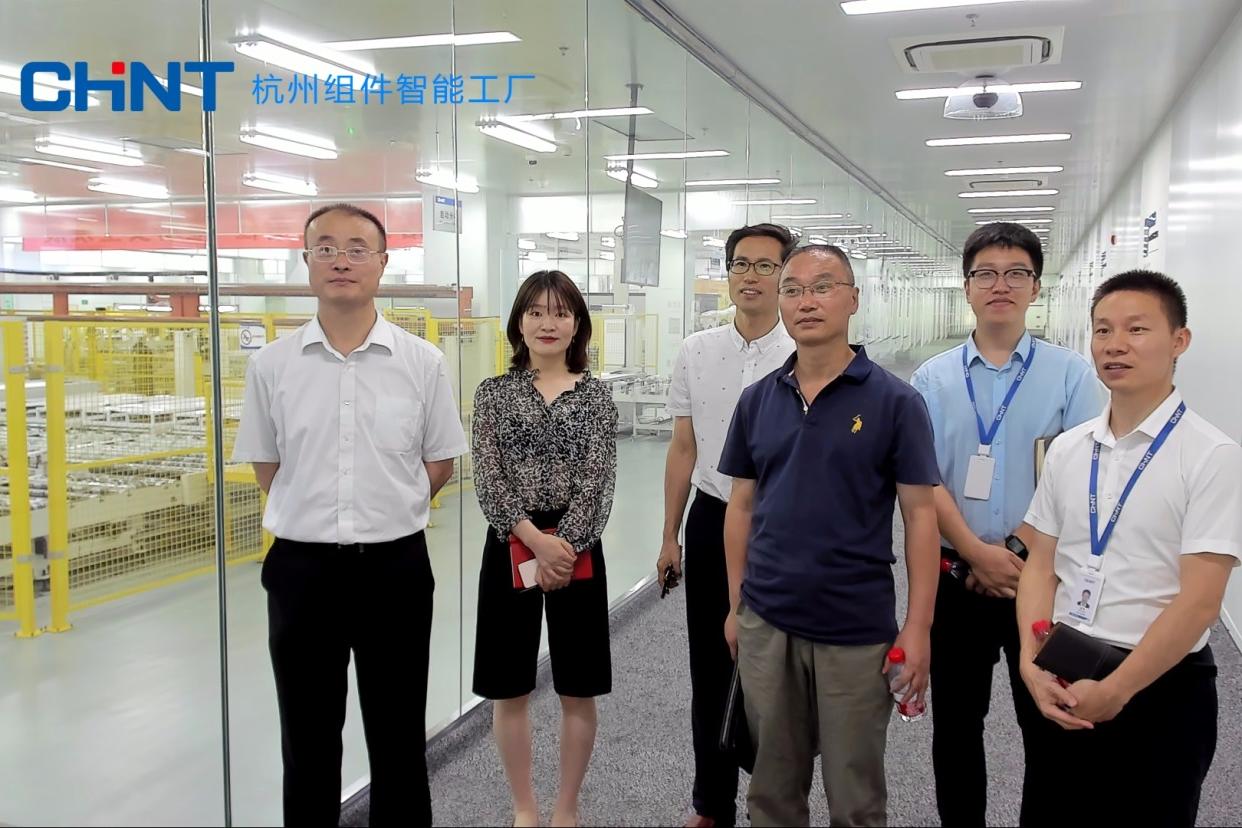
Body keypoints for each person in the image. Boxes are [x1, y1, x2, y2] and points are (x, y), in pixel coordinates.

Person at [232, 203, 468, 826]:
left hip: (395, 570)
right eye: (327, 247)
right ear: (306, 261)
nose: (342, 260)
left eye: (358, 248)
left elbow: (440, 461)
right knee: (307, 736)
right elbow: (266, 466)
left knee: (398, 734)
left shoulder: (422, 362)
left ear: (383, 263)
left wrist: (385, 508)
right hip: (301, 573)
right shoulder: (271, 365)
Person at [718, 244, 941, 827]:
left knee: (855, 795)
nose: (806, 301)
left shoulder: (896, 402)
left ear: (853, 299)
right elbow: (740, 506)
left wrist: (918, 627)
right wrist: (737, 605)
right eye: (792, 290)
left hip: (854, 628)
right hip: (768, 622)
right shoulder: (757, 399)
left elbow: (921, 516)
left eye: (823, 287)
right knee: (771, 790)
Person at [1016, 270, 1241, 825]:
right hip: (1064, 667)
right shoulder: (1068, 449)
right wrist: (1028, 661)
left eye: (1136, 329)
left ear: (1179, 340)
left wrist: (1117, 690)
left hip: (1160, 685)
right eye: (1102, 330)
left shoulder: (1211, 456)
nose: (1115, 344)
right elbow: (1041, 564)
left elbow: (1200, 601)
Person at [909, 221, 1106, 827]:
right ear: (967, 286)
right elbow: (922, 479)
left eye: (1016, 273)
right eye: (986, 274)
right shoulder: (931, 379)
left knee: (1048, 723)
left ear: (1036, 288)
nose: (1001, 285)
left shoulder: (1071, 374)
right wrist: (975, 551)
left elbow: (1079, 475)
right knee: (956, 727)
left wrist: (1016, 551)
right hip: (955, 576)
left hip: (1042, 581)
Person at [656, 223, 796, 828]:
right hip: (713, 517)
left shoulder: (804, 349)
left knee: (778, 668)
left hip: (784, 524)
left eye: (766, 266)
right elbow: (683, 447)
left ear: (784, 276)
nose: (751, 276)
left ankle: (774, 801)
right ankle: (711, 804)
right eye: (741, 264)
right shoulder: (697, 349)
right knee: (711, 667)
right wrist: (670, 534)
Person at [470, 270, 618, 828]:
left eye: (560, 312)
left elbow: (598, 482)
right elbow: (489, 478)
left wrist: (565, 547)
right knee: (507, 688)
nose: (547, 323)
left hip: (579, 547)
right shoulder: (493, 395)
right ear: (519, 323)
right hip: (510, 543)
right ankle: (525, 807)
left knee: (578, 687)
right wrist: (534, 540)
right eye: (535, 312)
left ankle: (566, 807)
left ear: (577, 324)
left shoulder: (596, 397)